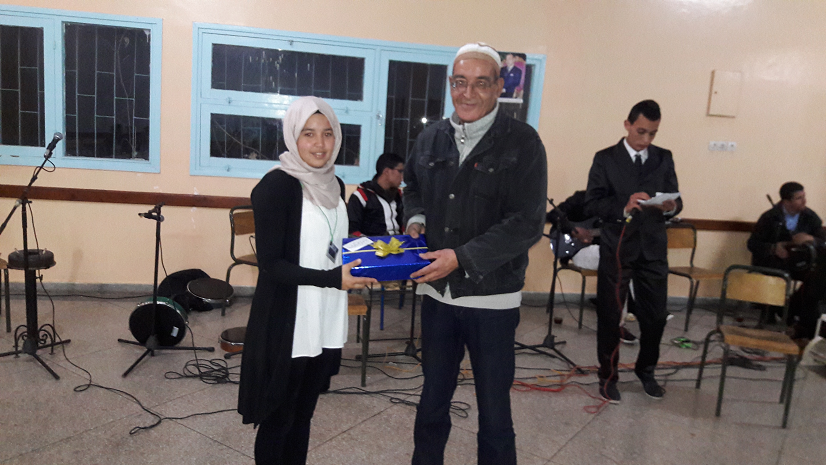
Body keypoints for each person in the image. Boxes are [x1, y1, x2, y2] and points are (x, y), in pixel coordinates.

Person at [404, 42, 547, 465]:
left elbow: (526, 222)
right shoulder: (431, 137)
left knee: (494, 408)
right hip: (437, 295)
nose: (467, 93)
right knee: (432, 400)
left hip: (493, 299)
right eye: (460, 82)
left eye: (481, 83)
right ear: (451, 84)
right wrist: (416, 218)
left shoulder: (523, 143)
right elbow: (412, 187)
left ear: (499, 87)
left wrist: (461, 257)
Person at [237, 96, 376, 465]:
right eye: (309, 134)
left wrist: (368, 263)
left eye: (328, 133)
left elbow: (333, 244)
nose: (320, 144)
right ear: (293, 136)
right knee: (279, 418)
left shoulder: (336, 184)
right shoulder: (276, 186)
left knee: (303, 415)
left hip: (325, 315)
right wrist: (332, 277)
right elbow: (272, 265)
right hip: (290, 321)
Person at [585, 99, 682, 403]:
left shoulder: (664, 158)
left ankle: (646, 371)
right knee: (611, 315)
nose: (646, 139)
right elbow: (592, 203)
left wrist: (670, 206)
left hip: (653, 248)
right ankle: (607, 376)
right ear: (627, 125)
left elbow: (678, 200)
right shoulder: (605, 158)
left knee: (655, 317)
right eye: (641, 132)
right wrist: (623, 206)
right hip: (618, 247)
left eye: (653, 134)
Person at [748, 182, 825, 338]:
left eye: (804, 196)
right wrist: (773, 248)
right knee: (777, 273)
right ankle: (771, 310)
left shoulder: (810, 217)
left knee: (816, 277)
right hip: (775, 262)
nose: (804, 201)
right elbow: (752, 244)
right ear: (786, 201)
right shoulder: (770, 217)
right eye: (799, 198)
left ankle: (800, 317)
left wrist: (811, 239)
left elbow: (823, 241)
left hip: (801, 262)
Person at [347, 152, 405, 236]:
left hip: (400, 242)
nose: (402, 177)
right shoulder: (360, 196)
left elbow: (405, 224)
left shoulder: (400, 196)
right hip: (373, 243)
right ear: (386, 171)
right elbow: (352, 230)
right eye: (400, 171)